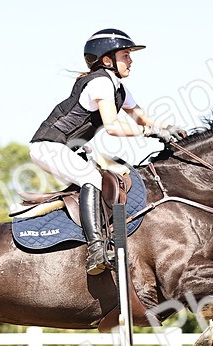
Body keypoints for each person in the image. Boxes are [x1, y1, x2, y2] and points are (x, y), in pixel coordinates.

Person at [29, 29, 186, 274]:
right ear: (106, 60)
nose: (131, 60)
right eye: (125, 55)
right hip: (49, 146)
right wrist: (149, 133)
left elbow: (141, 118)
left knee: (110, 178)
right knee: (91, 179)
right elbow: (113, 126)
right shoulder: (100, 83)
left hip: (69, 149)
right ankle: (95, 250)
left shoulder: (118, 88)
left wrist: (167, 128)